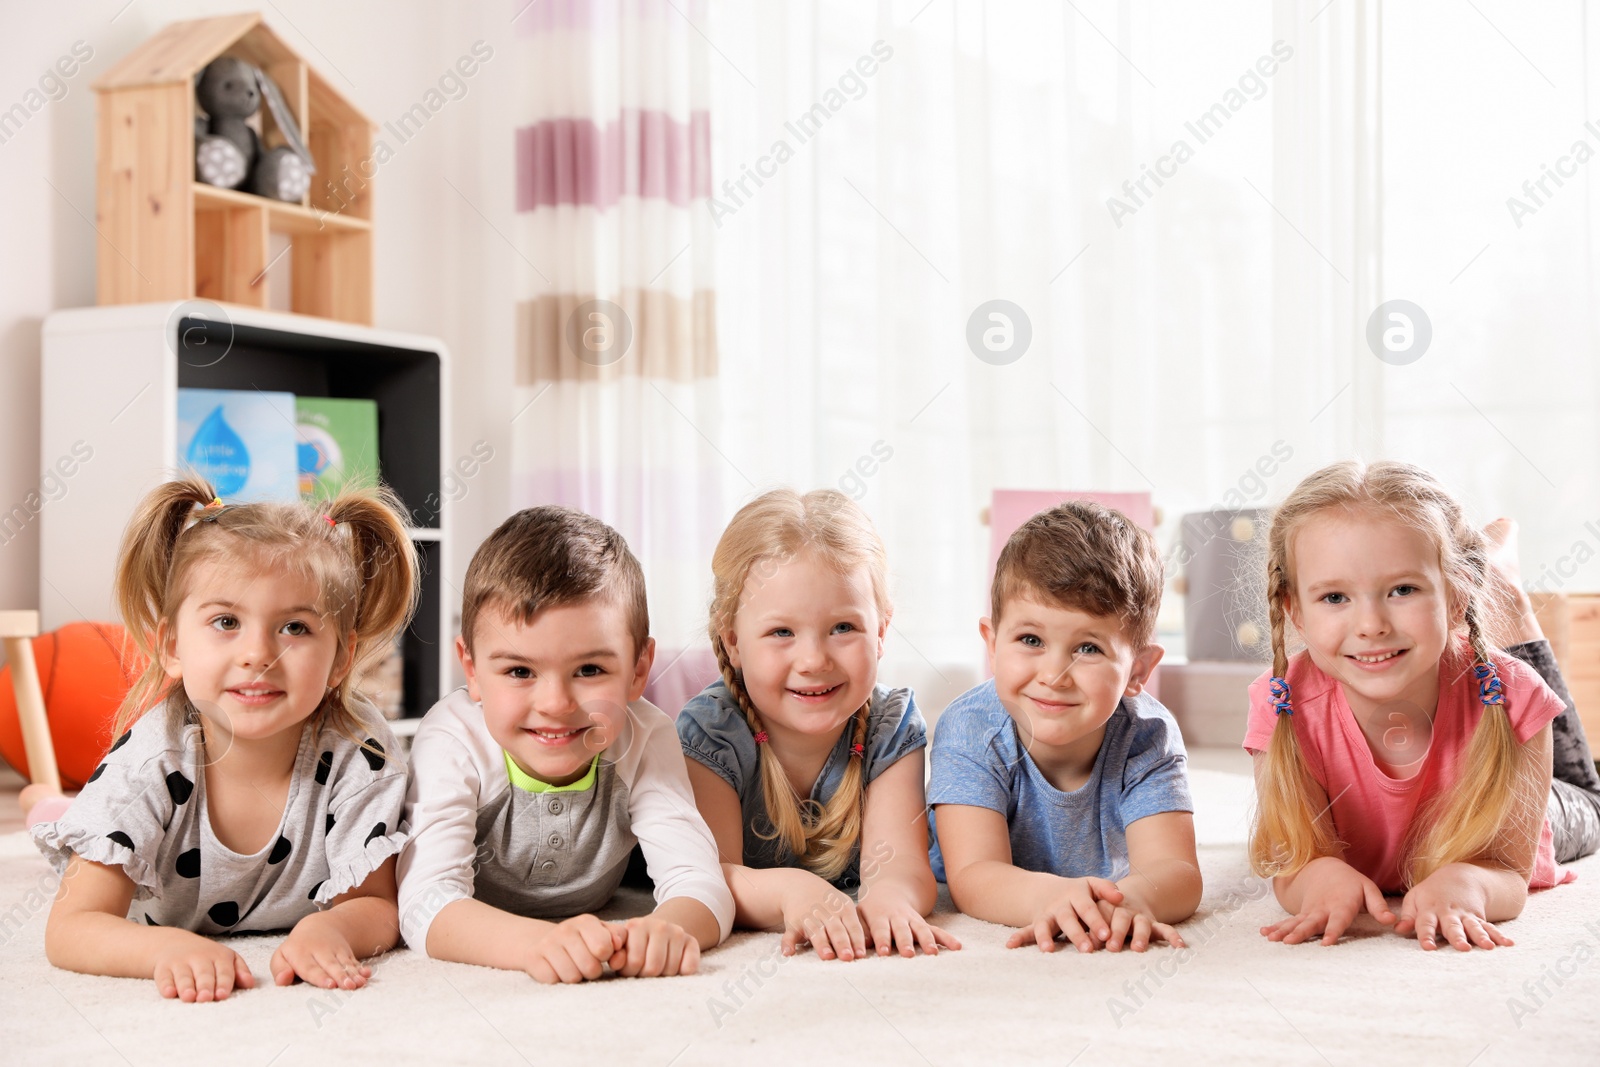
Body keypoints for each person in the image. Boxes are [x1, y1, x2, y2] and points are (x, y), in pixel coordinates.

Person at [32, 476, 418, 1001]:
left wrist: (331, 929)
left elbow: (376, 903)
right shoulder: (151, 760)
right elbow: (71, 928)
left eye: (295, 628)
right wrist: (163, 950)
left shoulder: (359, 750)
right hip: (128, 822)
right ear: (171, 645)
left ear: (342, 656)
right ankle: (49, 808)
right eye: (225, 621)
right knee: (62, 817)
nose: (258, 654)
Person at [1246, 460, 1600, 950]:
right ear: (1294, 611)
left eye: (1403, 589)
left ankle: (1505, 590)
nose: (1370, 624)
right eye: (1334, 597)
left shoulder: (1513, 693)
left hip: (1519, 786)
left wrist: (1472, 882)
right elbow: (1292, 864)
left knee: (1591, 801)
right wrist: (1317, 879)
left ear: (1455, 597)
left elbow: (1510, 875)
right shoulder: (1282, 701)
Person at [397, 507, 733, 983]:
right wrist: (535, 944)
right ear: (471, 671)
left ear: (639, 669)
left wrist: (662, 931)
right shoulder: (452, 738)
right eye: (519, 671)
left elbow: (701, 880)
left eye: (590, 670)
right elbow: (424, 902)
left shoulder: (647, 735)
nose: (555, 704)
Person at [678, 488, 959, 961]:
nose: (813, 660)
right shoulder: (712, 732)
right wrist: (792, 891)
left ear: (882, 632)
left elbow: (902, 864)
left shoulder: (890, 726)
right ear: (733, 642)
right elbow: (709, 876)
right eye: (781, 632)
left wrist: (890, 898)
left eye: (843, 628)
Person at [929, 500, 1201, 953]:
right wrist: (1053, 898)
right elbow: (973, 875)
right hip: (1011, 883)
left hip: (1102, 886)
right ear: (992, 643)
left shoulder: (1147, 735)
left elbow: (1178, 872)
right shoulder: (970, 727)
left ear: (1138, 670)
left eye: (1088, 648)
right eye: (1030, 640)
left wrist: (1129, 900)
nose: (1054, 675)